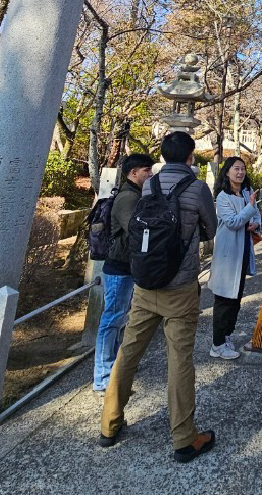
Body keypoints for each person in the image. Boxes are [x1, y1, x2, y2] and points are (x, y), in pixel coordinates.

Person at [99, 131, 219, 463]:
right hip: (179, 287)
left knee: (128, 353)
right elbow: (211, 228)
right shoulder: (197, 188)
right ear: (191, 157)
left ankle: (109, 425)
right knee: (180, 360)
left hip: (145, 283)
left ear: (163, 157)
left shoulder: (148, 185)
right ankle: (183, 438)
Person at [92, 152, 153, 392]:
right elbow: (135, 230)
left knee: (117, 318)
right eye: (146, 170)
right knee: (112, 320)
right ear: (133, 172)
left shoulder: (135, 194)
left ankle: (114, 367)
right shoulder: (128, 198)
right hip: (119, 267)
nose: (150, 174)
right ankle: (103, 377)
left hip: (126, 266)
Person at [208, 156, 261, 359]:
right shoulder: (223, 197)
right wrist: (250, 209)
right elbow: (232, 222)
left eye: (243, 169)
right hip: (228, 255)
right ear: (227, 172)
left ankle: (227, 335)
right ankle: (217, 344)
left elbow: (255, 215)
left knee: (236, 298)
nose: (240, 173)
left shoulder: (247, 192)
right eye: (236, 169)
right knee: (224, 300)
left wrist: (256, 222)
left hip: (243, 252)